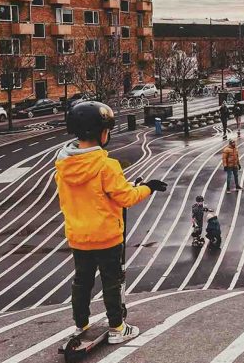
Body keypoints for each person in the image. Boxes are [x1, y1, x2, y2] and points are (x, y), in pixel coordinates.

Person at [57, 101, 167, 345]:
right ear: (102, 132)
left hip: (78, 236)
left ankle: (81, 323)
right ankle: (117, 326)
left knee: (81, 281)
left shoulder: (63, 166)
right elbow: (125, 197)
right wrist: (148, 187)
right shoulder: (107, 166)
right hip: (106, 237)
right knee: (112, 281)